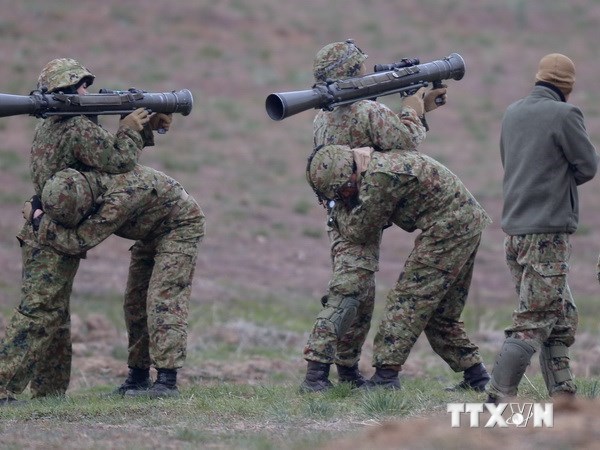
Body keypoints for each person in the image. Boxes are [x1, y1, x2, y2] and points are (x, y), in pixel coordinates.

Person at [0, 58, 197, 403]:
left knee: (53, 316)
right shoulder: (77, 127)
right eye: (80, 86)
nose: (85, 91)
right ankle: (11, 386)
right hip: (52, 229)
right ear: (67, 91)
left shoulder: (51, 125)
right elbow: (118, 160)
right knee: (42, 313)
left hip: (46, 224)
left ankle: (49, 394)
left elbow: (96, 162)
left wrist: (144, 127)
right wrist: (131, 129)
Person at [300, 39, 452, 392]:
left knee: (360, 293)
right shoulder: (368, 112)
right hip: (361, 212)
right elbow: (406, 142)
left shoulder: (323, 117)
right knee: (349, 291)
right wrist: (414, 109)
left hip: (343, 211)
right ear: (352, 73)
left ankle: (347, 369)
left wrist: (418, 107)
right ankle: (315, 372)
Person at [307, 144, 492, 390]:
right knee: (440, 314)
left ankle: (386, 377)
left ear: (351, 172)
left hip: (449, 229)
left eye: (342, 191)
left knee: (407, 301)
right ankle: (477, 377)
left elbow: (359, 231)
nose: (344, 196)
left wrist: (334, 213)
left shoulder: (379, 177)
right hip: (464, 223)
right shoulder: (373, 168)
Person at [485, 53, 598, 404]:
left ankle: (562, 397)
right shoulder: (565, 114)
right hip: (548, 232)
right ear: (568, 86)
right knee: (536, 316)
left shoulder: (512, 112)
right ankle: (497, 398)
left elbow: (514, 163)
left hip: (516, 230)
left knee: (560, 314)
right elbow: (588, 166)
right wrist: (560, 181)